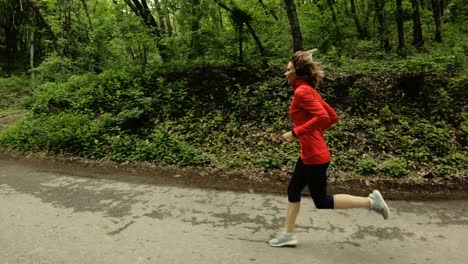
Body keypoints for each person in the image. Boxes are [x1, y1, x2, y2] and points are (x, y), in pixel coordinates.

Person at [268, 50, 390, 247]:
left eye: (288, 69)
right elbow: (332, 117)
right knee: (293, 189)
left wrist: (296, 133)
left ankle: (371, 202)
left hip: (315, 156)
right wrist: (312, 134)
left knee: (322, 201)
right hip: (310, 153)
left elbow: (324, 118)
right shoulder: (308, 89)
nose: (285, 73)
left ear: (298, 72)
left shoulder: (302, 91)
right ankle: (287, 234)